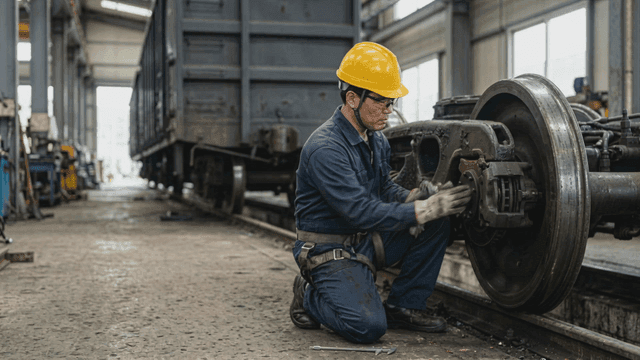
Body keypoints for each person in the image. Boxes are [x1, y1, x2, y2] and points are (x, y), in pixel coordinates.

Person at [289, 42, 471, 344]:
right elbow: (359, 210)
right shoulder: (326, 148)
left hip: (363, 240)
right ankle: (308, 294)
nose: (389, 111)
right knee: (367, 327)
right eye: (382, 102)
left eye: (391, 103)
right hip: (328, 250)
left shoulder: (375, 140)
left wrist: (414, 198)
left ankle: (404, 305)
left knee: (438, 221)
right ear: (352, 98)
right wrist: (421, 210)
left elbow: (383, 187)